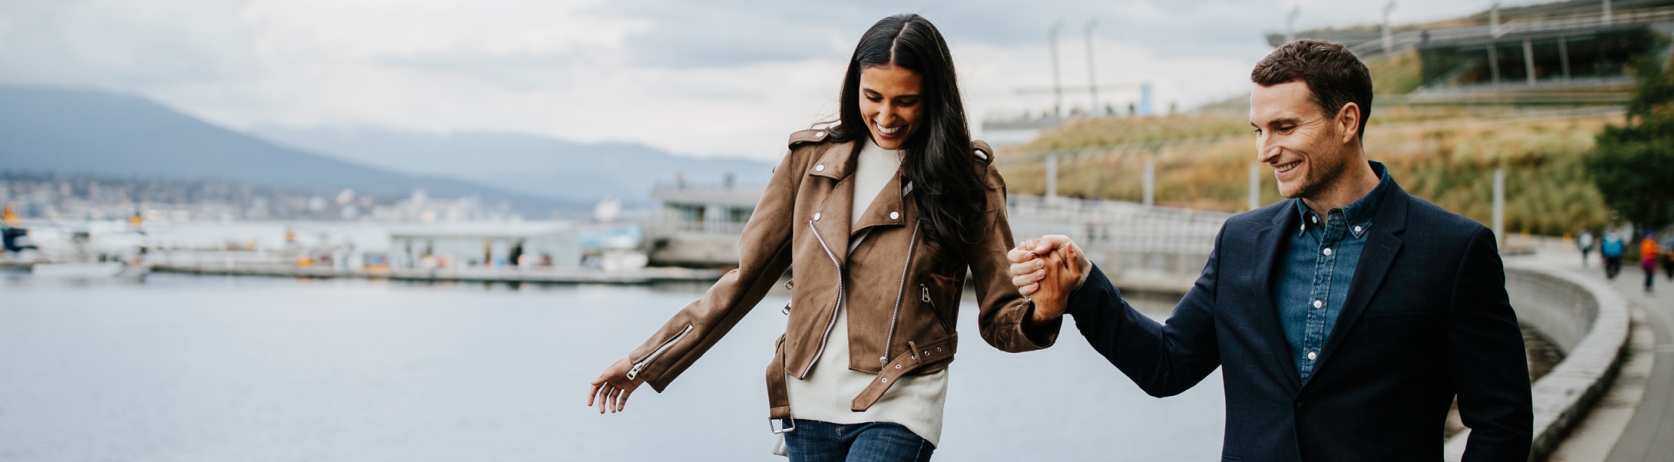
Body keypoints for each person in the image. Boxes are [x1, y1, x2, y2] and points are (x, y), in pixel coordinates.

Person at [1008, 40, 1532, 461]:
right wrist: (1083, 285)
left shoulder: (1454, 250)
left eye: (1285, 128)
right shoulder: (1241, 241)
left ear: (1347, 122)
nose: (1265, 151)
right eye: (1258, 131)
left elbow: (1502, 421)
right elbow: (1166, 365)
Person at [586, 15, 1055, 461]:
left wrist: (1044, 311)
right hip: (804, 403)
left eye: (905, 101)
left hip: (901, 404)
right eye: (872, 96)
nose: (886, 115)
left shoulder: (969, 179)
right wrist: (641, 361)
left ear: (935, 97)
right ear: (854, 88)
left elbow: (1000, 317)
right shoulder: (807, 162)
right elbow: (742, 282)